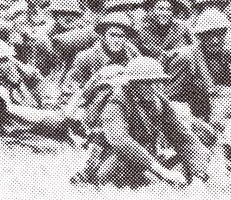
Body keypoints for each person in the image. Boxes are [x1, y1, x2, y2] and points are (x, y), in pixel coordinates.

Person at [87, 56, 208, 187]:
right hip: (118, 160)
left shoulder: (159, 102)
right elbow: (121, 141)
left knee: (186, 162)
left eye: (156, 82)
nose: (152, 87)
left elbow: (184, 138)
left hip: (149, 159)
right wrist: (163, 173)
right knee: (119, 166)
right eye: (146, 82)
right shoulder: (116, 102)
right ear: (132, 83)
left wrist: (198, 179)